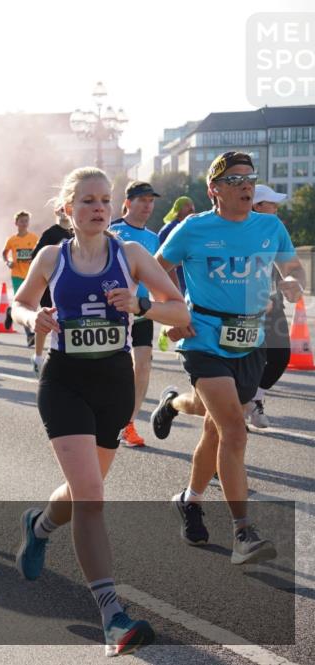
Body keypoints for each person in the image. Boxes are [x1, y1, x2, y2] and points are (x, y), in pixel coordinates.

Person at [11, 166, 188, 657]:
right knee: (91, 496)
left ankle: (39, 526)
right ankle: (113, 617)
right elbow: (19, 304)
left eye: (105, 200)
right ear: (67, 208)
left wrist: (141, 305)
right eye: (88, 200)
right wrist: (33, 317)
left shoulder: (130, 255)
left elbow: (180, 310)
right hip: (64, 383)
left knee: (82, 491)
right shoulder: (52, 256)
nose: (99, 208)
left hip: (113, 384)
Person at [153, 152, 305, 564]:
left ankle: (189, 498)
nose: (246, 185)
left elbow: (293, 268)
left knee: (215, 428)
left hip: (251, 341)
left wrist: (293, 281)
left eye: (250, 178)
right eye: (235, 179)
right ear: (214, 190)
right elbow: (156, 269)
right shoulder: (194, 228)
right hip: (203, 338)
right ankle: (243, 533)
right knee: (235, 431)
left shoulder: (270, 226)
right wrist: (173, 312)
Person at [109, 182, 162, 448]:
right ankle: (104, 415)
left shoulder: (154, 238)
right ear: (128, 202)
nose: (147, 206)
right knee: (111, 369)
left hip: (141, 309)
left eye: (151, 201)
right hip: (113, 311)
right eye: (142, 200)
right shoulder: (113, 231)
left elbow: (160, 277)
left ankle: (128, 423)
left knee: (142, 365)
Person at [243, 184, 292, 428]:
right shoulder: (239, 231)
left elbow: (288, 264)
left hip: (274, 303)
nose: (276, 207)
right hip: (244, 308)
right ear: (257, 206)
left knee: (281, 356)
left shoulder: (276, 229)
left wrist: (292, 281)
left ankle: (255, 398)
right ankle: (238, 407)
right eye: (271, 203)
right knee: (245, 362)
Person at [31, 206, 73, 374]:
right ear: (57, 212)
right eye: (61, 209)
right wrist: (56, 250)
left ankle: (67, 352)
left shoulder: (76, 232)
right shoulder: (50, 233)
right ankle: (38, 356)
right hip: (50, 283)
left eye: (66, 209)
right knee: (47, 317)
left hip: (68, 283)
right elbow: (35, 256)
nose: (64, 212)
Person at [2, 210, 39, 346]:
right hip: (17, 275)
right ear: (16, 223)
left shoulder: (34, 238)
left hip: (31, 275)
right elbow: (4, 253)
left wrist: (34, 259)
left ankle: (10, 311)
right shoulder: (12, 240)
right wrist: (8, 262)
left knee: (31, 304)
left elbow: (39, 252)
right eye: (22, 221)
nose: (24, 223)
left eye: (26, 221)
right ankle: (29, 335)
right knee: (23, 304)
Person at [157, 196, 195, 294]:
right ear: (178, 209)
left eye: (192, 205)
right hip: (174, 281)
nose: (191, 208)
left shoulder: (192, 226)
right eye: (187, 205)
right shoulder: (170, 229)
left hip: (190, 280)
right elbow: (161, 259)